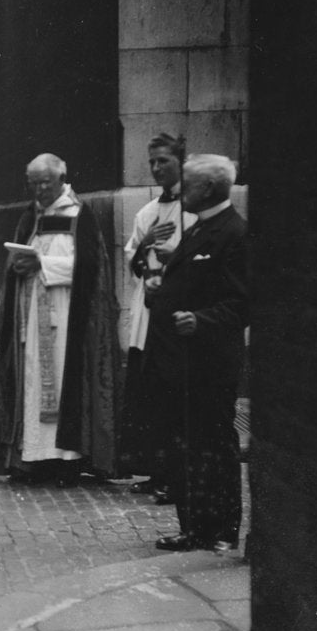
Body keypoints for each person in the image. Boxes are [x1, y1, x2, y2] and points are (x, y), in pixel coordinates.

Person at [0, 153, 121, 487]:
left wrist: (42, 264)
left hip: (69, 318)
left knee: (63, 386)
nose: (39, 190)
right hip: (32, 317)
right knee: (32, 384)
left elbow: (92, 268)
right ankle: (33, 460)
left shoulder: (79, 214)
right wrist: (17, 268)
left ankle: (66, 463)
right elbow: (18, 260)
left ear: (61, 179)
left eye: (45, 183)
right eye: (33, 184)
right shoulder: (31, 215)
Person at [146, 154, 248, 553]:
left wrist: (201, 320)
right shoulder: (200, 227)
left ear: (207, 188)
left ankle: (221, 530)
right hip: (182, 363)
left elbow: (241, 303)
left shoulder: (234, 232)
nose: (180, 190)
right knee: (187, 446)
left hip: (210, 363)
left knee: (215, 445)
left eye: (187, 184)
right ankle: (195, 527)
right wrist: (160, 288)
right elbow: (190, 283)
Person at [120, 133, 196, 502]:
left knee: (172, 399)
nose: (155, 168)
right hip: (147, 313)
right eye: (151, 162)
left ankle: (175, 479)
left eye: (163, 160)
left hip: (176, 313)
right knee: (148, 396)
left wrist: (172, 261)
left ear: (181, 161)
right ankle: (156, 472)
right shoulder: (146, 213)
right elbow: (132, 257)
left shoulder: (194, 210)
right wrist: (146, 242)